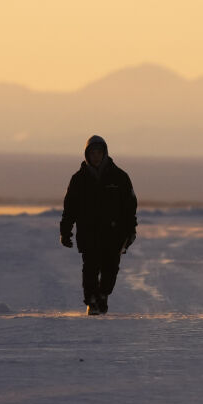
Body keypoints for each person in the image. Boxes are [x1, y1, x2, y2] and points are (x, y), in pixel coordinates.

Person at [60, 134, 137, 316]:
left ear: (105, 153)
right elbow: (69, 208)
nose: (96, 156)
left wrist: (130, 230)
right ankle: (92, 301)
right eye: (92, 152)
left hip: (114, 233)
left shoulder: (120, 177)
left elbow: (130, 206)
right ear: (87, 154)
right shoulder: (78, 179)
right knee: (90, 269)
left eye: (99, 152)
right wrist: (65, 231)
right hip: (89, 233)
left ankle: (103, 295)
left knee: (110, 269)